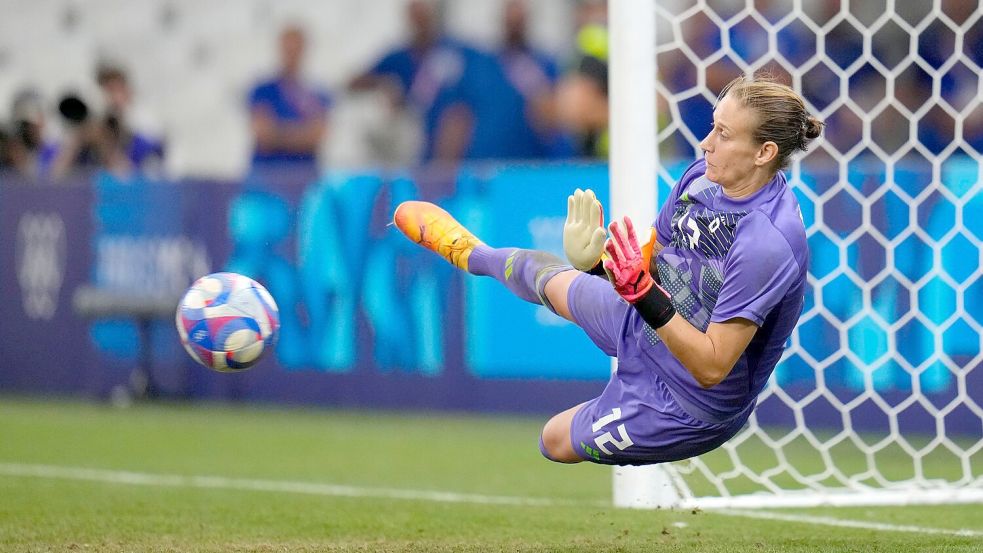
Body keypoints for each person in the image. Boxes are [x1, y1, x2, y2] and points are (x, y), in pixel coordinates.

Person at [392, 74, 823, 465]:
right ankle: (470, 253)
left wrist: (641, 293)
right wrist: (598, 265)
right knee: (543, 274)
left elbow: (712, 367)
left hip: (688, 403)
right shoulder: (701, 178)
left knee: (553, 441)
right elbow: (655, 261)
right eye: (712, 125)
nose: (706, 142)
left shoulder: (768, 241)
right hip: (643, 321)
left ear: (764, 152)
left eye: (723, 134)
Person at [248, 24, 331, 173]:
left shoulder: (318, 94)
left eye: (296, 49)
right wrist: (302, 134)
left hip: (303, 180)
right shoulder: (262, 91)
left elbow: (318, 136)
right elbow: (263, 134)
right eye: (288, 49)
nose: (291, 54)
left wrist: (277, 132)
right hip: (266, 177)